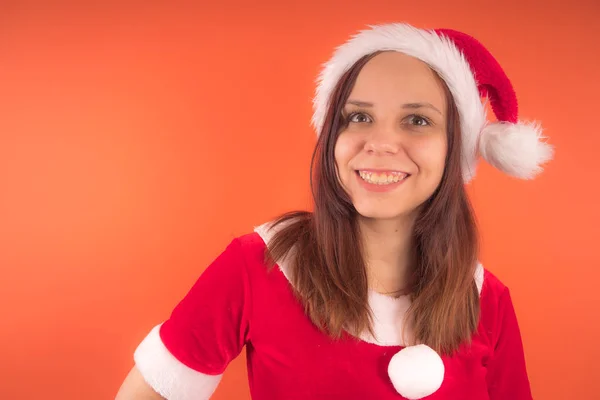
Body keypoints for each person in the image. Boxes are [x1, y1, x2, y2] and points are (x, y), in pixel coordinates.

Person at [116, 22, 553, 400]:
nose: (379, 143)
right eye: (358, 117)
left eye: (417, 120)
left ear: (454, 147)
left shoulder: (487, 300)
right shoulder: (257, 266)